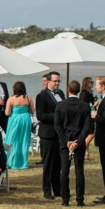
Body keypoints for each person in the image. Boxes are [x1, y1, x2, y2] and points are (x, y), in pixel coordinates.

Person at [54, 80, 92, 207]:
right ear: (79, 90)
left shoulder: (60, 105)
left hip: (66, 143)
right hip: (78, 142)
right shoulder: (85, 106)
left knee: (64, 170)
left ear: (68, 90)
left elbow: (57, 126)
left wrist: (66, 141)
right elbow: (87, 127)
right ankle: (80, 199)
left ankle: (65, 199)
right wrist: (78, 141)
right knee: (79, 170)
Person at [36, 72, 65, 200]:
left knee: (58, 164)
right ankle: (47, 190)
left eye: (59, 81)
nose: (57, 83)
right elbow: (40, 115)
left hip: (59, 134)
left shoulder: (61, 94)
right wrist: (57, 116)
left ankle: (57, 189)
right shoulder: (41, 96)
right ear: (48, 81)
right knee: (48, 163)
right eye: (55, 81)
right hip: (47, 134)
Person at [4, 82, 35, 170]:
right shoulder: (28, 98)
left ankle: (11, 161)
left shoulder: (11, 99)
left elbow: (7, 113)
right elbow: (33, 111)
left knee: (12, 139)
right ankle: (23, 162)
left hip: (14, 120)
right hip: (25, 119)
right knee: (24, 140)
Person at [79, 77, 97, 160]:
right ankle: (81, 148)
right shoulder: (84, 93)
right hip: (87, 115)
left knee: (89, 133)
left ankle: (86, 153)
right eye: (91, 82)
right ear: (86, 83)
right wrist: (94, 105)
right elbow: (83, 105)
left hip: (91, 114)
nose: (92, 83)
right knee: (91, 133)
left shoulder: (89, 93)